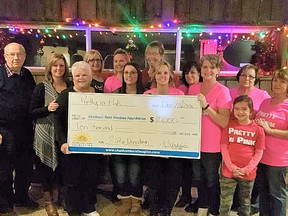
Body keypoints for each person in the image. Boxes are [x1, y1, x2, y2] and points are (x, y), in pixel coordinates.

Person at [54, 61, 101, 216]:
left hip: (94, 147)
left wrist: (107, 143)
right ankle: (73, 209)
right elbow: (57, 121)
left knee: (91, 177)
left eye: (84, 75)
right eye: (77, 75)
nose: (81, 78)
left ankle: (88, 206)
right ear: (72, 77)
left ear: (91, 75)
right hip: (71, 146)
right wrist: (62, 142)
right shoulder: (65, 96)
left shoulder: (100, 96)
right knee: (71, 180)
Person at [188, 54, 231, 216]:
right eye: (205, 67)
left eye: (212, 67)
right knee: (198, 177)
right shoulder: (193, 88)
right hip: (194, 142)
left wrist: (206, 106)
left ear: (218, 70)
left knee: (211, 178)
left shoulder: (223, 91)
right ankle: (203, 205)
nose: (208, 70)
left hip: (212, 145)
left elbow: (224, 121)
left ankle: (214, 208)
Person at [30, 53, 71, 216]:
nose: (58, 69)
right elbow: (31, 112)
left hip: (64, 134)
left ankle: (62, 196)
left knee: (63, 167)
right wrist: (47, 109)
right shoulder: (42, 87)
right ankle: (48, 201)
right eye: (55, 65)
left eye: (61, 65)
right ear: (50, 68)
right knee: (45, 169)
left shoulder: (70, 86)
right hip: (45, 134)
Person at [0, 42, 39, 214]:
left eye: (19, 54)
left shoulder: (27, 74)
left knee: (25, 166)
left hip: (25, 129)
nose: (16, 58)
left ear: (24, 56)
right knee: (5, 169)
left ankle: (22, 197)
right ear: (5, 56)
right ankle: (5, 201)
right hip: (4, 130)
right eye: (12, 54)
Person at [144, 61, 184, 216]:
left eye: (165, 73)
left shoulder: (179, 95)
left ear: (170, 75)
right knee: (154, 179)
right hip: (153, 145)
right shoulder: (147, 95)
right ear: (154, 75)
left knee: (172, 180)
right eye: (159, 72)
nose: (162, 76)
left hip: (174, 146)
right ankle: (154, 211)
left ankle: (166, 210)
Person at [229, 64, 270, 214]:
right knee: (231, 174)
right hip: (233, 140)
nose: (247, 78)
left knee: (252, 175)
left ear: (256, 79)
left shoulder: (263, 95)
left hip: (254, 142)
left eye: (251, 76)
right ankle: (234, 203)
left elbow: (268, 114)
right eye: (244, 75)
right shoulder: (230, 92)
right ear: (238, 77)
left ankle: (251, 205)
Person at [219, 95, 265, 216]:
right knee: (225, 202)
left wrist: (246, 169)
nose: (240, 112)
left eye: (244, 109)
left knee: (245, 202)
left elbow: (259, 152)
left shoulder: (258, 129)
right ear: (233, 110)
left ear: (251, 111)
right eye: (237, 108)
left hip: (248, 173)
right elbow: (224, 147)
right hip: (228, 172)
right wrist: (231, 167)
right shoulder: (228, 125)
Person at [110, 62, 144, 216]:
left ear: (138, 75)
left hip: (139, 142)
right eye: (126, 73)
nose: (129, 76)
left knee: (134, 173)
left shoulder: (146, 95)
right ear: (122, 76)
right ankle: (125, 202)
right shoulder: (116, 94)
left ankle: (136, 204)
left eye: (133, 72)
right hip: (118, 142)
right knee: (120, 173)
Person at [255, 69, 288, 216]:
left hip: (277, 160)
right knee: (263, 193)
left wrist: (270, 130)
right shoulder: (265, 102)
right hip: (261, 156)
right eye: (275, 80)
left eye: (283, 81)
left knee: (277, 194)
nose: (278, 84)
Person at [175, 61, 201, 211]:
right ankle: (185, 196)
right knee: (184, 170)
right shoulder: (181, 90)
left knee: (197, 172)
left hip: (199, 136)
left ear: (199, 74)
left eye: (193, 72)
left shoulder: (203, 90)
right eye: (187, 73)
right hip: (182, 136)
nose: (189, 75)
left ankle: (200, 200)